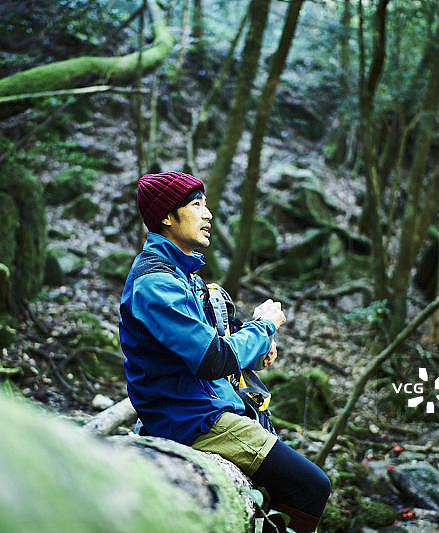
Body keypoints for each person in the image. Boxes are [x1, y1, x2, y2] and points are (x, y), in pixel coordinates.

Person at [119, 171, 331, 532]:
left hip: (205, 408)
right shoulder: (156, 283)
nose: (208, 214)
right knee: (312, 486)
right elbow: (212, 358)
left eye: (206, 204)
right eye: (196, 205)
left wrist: (258, 348)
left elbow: (211, 346)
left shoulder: (181, 274)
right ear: (167, 217)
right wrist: (263, 326)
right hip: (192, 420)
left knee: (282, 490)